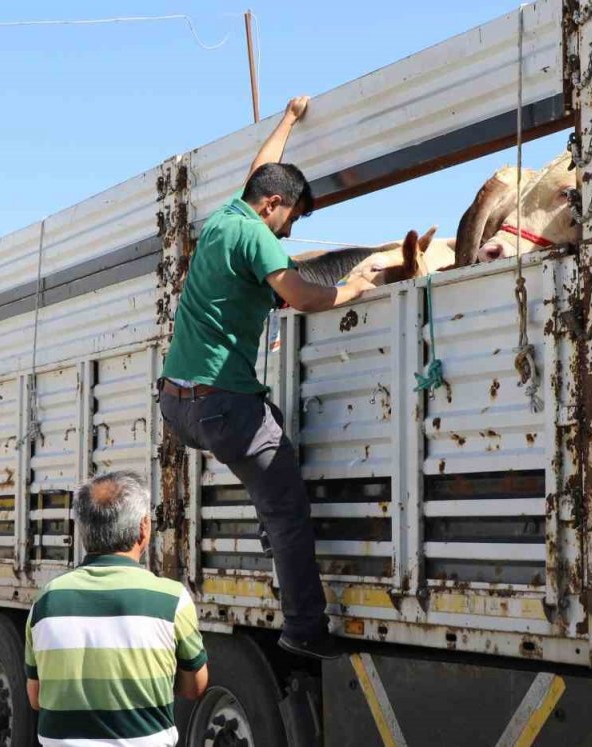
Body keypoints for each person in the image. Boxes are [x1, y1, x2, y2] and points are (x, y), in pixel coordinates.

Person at [158, 94, 376, 660]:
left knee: (269, 429)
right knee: (288, 510)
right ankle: (305, 629)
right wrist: (353, 289)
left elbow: (261, 168)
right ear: (273, 205)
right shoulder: (256, 234)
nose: (287, 231)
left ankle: (268, 520)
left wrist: (289, 120)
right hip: (223, 407)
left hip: (178, 403)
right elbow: (299, 295)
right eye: (290, 219)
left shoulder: (229, 215)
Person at [25, 471, 209, 746]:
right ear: (144, 528)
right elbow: (195, 687)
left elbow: (36, 697)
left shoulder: (48, 601)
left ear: (83, 529)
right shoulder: (171, 599)